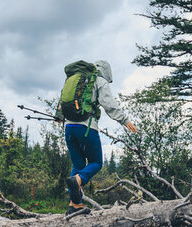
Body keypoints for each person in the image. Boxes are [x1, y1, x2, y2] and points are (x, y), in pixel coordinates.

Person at [58, 60, 138, 215]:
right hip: (87, 128)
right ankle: (78, 181)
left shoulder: (74, 80)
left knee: (78, 164)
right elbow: (108, 104)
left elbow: (62, 102)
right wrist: (124, 120)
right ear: (105, 71)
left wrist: (59, 117)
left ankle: (74, 204)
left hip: (69, 128)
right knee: (96, 163)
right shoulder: (98, 80)